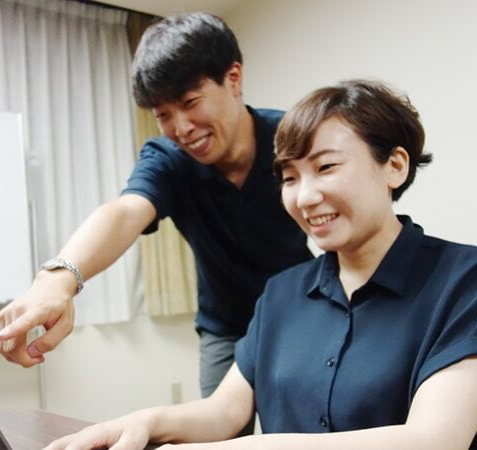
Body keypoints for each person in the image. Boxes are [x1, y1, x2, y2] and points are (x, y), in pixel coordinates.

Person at [42, 79, 477, 450]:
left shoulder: (462, 280)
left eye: (326, 167)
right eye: (289, 178)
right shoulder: (282, 292)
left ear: (394, 166)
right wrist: (144, 423)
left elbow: (436, 439)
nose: (305, 197)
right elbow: (225, 411)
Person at [0, 11, 312, 406]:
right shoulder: (168, 158)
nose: (181, 128)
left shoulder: (292, 139)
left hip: (301, 315)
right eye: (163, 115)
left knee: (308, 422)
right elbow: (126, 212)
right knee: (216, 430)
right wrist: (57, 280)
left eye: (190, 102)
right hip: (225, 328)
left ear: (233, 78)